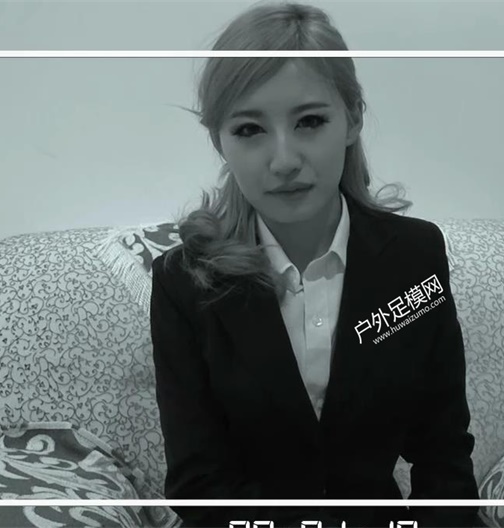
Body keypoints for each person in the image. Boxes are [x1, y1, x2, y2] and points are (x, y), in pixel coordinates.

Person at [150, 2, 479, 527]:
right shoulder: (183, 282)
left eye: (309, 122)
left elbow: (443, 455)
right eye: (249, 129)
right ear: (219, 141)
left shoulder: (414, 258)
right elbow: (199, 486)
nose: (283, 160)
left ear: (353, 119)